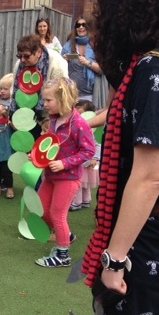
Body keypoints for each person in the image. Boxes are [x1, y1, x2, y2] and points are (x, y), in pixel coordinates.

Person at [80, 0, 159, 315]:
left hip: (154, 238)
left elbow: (150, 176)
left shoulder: (155, 67)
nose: (99, 15)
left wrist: (115, 260)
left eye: (105, 4)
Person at [34, 78, 94, 268]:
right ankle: (66, 236)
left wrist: (64, 163)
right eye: (44, 100)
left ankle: (63, 255)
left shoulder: (79, 124)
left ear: (64, 99)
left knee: (57, 213)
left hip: (68, 178)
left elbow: (88, 151)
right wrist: (36, 156)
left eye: (48, 100)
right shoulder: (53, 119)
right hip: (51, 176)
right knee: (41, 209)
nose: (45, 104)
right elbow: (50, 145)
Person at [9, 35, 68, 139]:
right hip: (24, 114)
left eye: (27, 56)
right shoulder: (20, 64)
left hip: (48, 115)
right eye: (19, 56)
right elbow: (14, 91)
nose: (22, 60)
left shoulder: (56, 63)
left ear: (39, 53)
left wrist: (50, 120)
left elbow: (62, 96)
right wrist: (14, 116)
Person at [61, 17, 102, 102]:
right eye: (78, 25)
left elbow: (101, 70)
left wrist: (87, 63)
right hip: (71, 94)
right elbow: (60, 68)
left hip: (90, 95)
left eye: (83, 25)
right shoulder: (68, 46)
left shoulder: (95, 46)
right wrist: (63, 60)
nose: (81, 27)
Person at [69, 100, 99, 211]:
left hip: (84, 161)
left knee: (79, 183)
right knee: (83, 182)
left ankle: (76, 202)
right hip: (83, 160)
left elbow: (97, 144)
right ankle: (85, 200)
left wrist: (95, 158)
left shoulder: (89, 128)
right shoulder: (78, 125)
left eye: (80, 111)